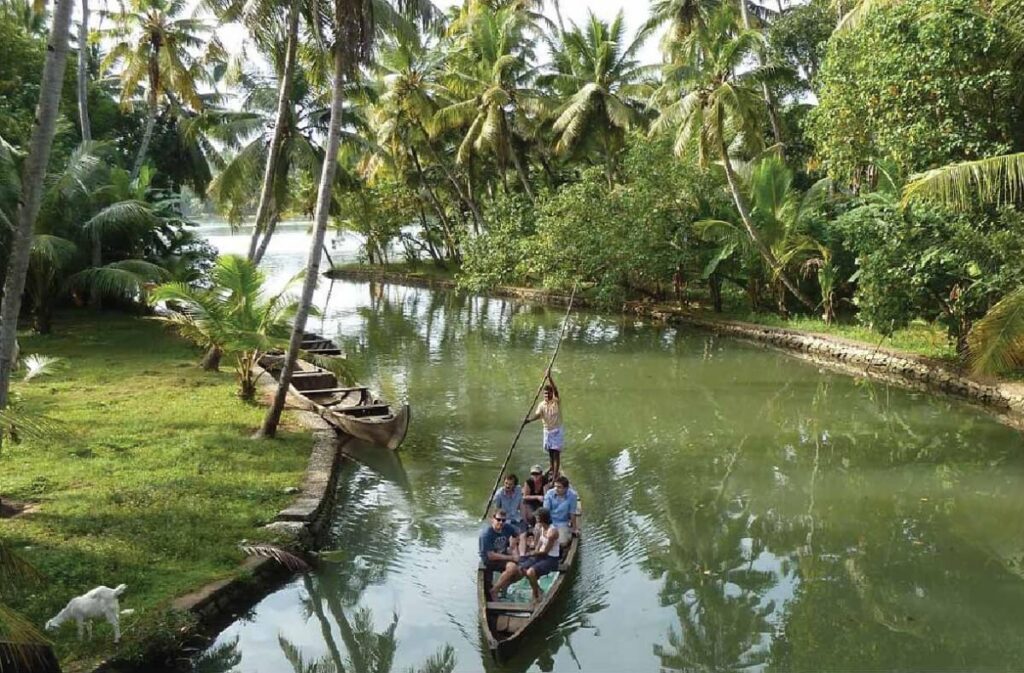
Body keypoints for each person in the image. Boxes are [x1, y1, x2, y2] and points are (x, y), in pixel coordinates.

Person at [490, 508, 561, 605]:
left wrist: (532, 554)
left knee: (530, 572)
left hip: (550, 559)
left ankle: (536, 595)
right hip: (540, 555)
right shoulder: (541, 528)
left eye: (537, 517)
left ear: (542, 518)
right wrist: (533, 549)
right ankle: (504, 586)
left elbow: (545, 551)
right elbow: (538, 545)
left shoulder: (552, 532)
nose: (535, 518)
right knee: (520, 566)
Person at [527, 370, 563, 480]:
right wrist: (529, 420)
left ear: (552, 394)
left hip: (556, 430)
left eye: (548, 393)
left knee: (556, 453)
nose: (547, 395)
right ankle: (552, 468)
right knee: (550, 453)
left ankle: (555, 476)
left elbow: (556, 390)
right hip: (547, 431)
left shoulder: (556, 401)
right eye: (545, 394)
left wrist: (549, 377)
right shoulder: (541, 405)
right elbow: (538, 415)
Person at [543, 475, 578, 546]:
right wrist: (545, 528)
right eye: (555, 486)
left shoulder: (572, 496)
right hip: (550, 522)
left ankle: (567, 533)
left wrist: (574, 528)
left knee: (563, 543)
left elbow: (572, 513)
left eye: (559, 487)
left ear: (566, 488)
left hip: (563, 522)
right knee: (546, 540)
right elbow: (545, 512)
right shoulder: (549, 493)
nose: (556, 489)